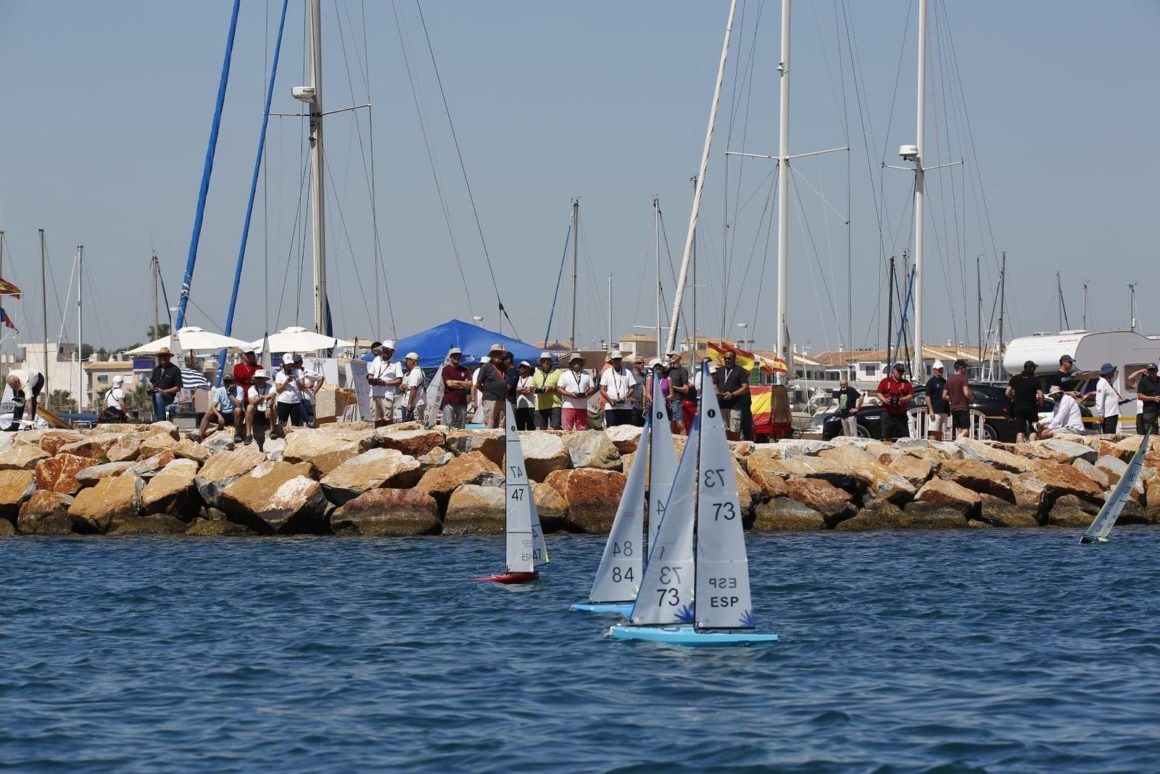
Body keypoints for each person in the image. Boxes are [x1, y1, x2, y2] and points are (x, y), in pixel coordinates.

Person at [714, 351, 750, 441]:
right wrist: (718, 392)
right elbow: (715, 384)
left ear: (734, 359)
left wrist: (732, 395)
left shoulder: (740, 370)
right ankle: (728, 449)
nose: (727, 360)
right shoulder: (720, 370)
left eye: (729, 358)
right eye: (725, 358)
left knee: (735, 430)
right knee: (725, 429)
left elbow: (745, 387)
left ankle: (736, 448)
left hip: (735, 405)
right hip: (722, 404)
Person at [1005, 360, 1043, 443]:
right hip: (1031, 408)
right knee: (1033, 429)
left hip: (1018, 407)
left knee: (1020, 431)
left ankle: (1020, 450)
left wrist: (1014, 397)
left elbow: (1007, 392)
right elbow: (1040, 395)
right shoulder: (1035, 380)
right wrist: (1041, 404)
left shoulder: (1015, 378)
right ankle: (1032, 447)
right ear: (1032, 369)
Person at [557, 352, 595, 430]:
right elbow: (559, 388)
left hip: (582, 406)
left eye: (578, 361)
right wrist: (569, 394)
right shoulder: (565, 374)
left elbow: (592, 388)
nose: (576, 363)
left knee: (582, 429)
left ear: (581, 363)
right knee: (567, 429)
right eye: (574, 361)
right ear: (571, 363)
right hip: (568, 406)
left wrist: (586, 393)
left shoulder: (586, 374)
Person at [876, 362, 913, 441]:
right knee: (887, 437)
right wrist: (885, 400)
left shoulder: (906, 383)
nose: (900, 373)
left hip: (901, 414)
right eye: (898, 371)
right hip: (887, 413)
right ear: (893, 371)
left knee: (904, 438)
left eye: (902, 371)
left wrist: (903, 399)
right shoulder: (885, 381)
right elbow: (879, 393)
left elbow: (911, 395)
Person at [197, 373, 239, 440]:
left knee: (238, 410)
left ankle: (237, 434)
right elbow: (213, 406)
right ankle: (199, 436)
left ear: (233, 382)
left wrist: (229, 393)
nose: (228, 384)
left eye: (230, 381)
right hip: (224, 413)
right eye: (226, 381)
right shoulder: (219, 390)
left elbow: (238, 405)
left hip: (233, 414)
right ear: (223, 382)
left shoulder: (239, 390)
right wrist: (219, 416)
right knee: (208, 413)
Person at [273, 353, 306, 437]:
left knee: (296, 424)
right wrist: (286, 382)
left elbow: (302, 387)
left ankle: (295, 440)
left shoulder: (298, 371)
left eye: (291, 364)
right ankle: (282, 438)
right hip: (283, 401)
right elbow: (278, 390)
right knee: (282, 423)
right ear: (283, 363)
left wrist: (297, 379)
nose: (289, 366)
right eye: (287, 364)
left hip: (296, 401)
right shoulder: (279, 374)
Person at [477, 344, 509, 429]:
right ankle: (489, 442)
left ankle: (500, 442)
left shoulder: (503, 366)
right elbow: (478, 384)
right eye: (495, 353)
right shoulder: (485, 367)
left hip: (501, 399)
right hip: (490, 398)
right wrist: (487, 392)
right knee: (490, 423)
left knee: (501, 424)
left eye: (499, 353)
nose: (497, 355)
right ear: (491, 355)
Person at [599, 351, 635, 427]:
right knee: (612, 431)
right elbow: (602, 389)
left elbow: (632, 387)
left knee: (625, 431)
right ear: (612, 360)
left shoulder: (627, 372)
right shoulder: (607, 373)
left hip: (626, 407)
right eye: (615, 359)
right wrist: (610, 400)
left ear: (621, 360)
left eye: (618, 359)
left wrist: (626, 397)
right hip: (611, 407)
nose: (617, 361)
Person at [148, 346, 183, 422]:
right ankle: (158, 419)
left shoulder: (175, 369)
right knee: (155, 394)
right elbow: (153, 383)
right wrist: (152, 388)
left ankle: (161, 420)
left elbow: (178, 388)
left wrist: (163, 391)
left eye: (165, 356)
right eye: (161, 356)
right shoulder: (156, 369)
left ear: (169, 357)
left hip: (169, 396)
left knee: (158, 394)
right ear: (159, 358)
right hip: (157, 395)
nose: (163, 358)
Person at [439, 348, 472, 429]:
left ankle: (460, 441)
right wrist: (463, 383)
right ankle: (449, 441)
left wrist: (455, 382)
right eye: (454, 355)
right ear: (450, 357)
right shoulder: (446, 369)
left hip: (462, 402)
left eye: (458, 355)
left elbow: (470, 384)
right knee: (449, 425)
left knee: (461, 425)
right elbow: (449, 384)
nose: (456, 357)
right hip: (449, 401)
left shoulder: (465, 370)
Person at [232, 348, 260, 441]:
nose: (249, 355)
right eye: (247, 354)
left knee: (251, 411)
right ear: (242, 355)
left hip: (253, 393)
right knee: (238, 411)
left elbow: (263, 381)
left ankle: (249, 433)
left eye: (251, 353)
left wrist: (255, 379)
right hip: (240, 393)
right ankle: (237, 434)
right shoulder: (237, 367)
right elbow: (234, 380)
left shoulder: (259, 368)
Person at [943, 358, 974, 439]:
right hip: (962, 407)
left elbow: (944, 395)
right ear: (960, 368)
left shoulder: (949, 379)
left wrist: (952, 399)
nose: (966, 369)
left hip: (953, 408)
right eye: (965, 367)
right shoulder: (963, 378)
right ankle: (957, 442)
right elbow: (966, 393)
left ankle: (958, 448)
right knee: (965, 430)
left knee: (958, 430)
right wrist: (971, 397)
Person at [245, 369, 276, 447]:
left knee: (273, 406)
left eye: (261, 378)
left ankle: (272, 431)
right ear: (255, 379)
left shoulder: (271, 387)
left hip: (267, 409)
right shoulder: (251, 389)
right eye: (258, 378)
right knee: (249, 407)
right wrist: (263, 397)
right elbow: (252, 402)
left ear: (265, 379)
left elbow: (272, 397)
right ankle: (248, 434)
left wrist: (268, 406)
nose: (260, 380)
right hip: (257, 411)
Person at [532, 352, 562, 430]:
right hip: (541, 405)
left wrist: (552, 388)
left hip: (555, 404)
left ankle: (558, 441)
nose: (546, 362)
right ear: (540, 362)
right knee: (542, 428)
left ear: (551, 361)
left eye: (548, 360)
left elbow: (563, 388)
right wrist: (536, 390)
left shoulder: (558, 372)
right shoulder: (536, 372)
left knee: (556, 426)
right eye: (543, 360)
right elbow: (532, 387)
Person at [294, 354, 323, 427]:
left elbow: (321, 378)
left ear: (301, 362)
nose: (295, 365)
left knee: (311, 424)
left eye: (297, 363)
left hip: (310, 402)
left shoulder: (309, 372)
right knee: (298, 424)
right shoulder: (292, 373)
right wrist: (306, 386)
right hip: (297, 402)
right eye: (294, 363)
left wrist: (315, 389)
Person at [667, 350, 691, 435]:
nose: (670, 358)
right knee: (670, 425)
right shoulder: (667, 370)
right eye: (669, 356)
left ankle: (683, 443)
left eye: (671, 356)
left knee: (679, 424)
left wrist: (672, 387)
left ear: (678, 357)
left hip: (676, 400)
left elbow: (685, 389)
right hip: (666, 400)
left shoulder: (683, 371)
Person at [925, 361, 950, 440]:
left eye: (941, 369)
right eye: (939, 369)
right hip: (935, 411)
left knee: (941, 433)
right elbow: (927, 396)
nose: (940, 371)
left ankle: (939, 450)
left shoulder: (945, 382)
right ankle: (932, 449)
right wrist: (931, 410)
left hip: (944, 411)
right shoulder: (930, 382)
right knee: (933, 432)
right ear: (934, 370)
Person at [1094, 362, 1121, 434]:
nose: (1113, 373)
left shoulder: (1108, 382)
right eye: (1111, 371)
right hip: (1108, 415)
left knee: (1112, 433)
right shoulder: (1102, 383)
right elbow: (1099, 399)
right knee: (1109, 435)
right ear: (1107, 373)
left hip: (1112, 414)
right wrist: (1101, 414)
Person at [1134, 363, 1160, 434]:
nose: (1151, 372)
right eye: (1150, 370)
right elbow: (1139, 396)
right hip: (1149, 410)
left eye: (1153, 370)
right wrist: (1153, 398)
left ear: (1156, 370)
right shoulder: (1143, 381)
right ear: (1147, 371)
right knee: (1150, 432)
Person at [402, 352, 426, 423]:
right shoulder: (419, 371)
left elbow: (414, 389)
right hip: (417, 403)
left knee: (414, 426)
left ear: (412, 361)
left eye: (406, 361)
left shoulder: (415, 372)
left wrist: (409, 404)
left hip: (415, 404)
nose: (405, 363)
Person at [514, 360, 537, 430]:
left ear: (528, 369)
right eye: (520, 367)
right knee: (520, 428)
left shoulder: (532, 379)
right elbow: (514, 389)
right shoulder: (516, 379)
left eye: (524, 367)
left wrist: (519, 390)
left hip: (530, 406)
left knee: (531, 428)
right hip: (519, 406)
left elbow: (529, 391)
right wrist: (523, 389)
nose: (522, 368)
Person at [629, 357, 646, 426]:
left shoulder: (644, 376)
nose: (642, 364)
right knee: (634, 429)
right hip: (633, 407)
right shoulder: (629, 375)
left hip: (643, 408)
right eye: (639, 363)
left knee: (642, 430)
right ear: (634, 365)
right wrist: (631, 399)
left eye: (643, 363)